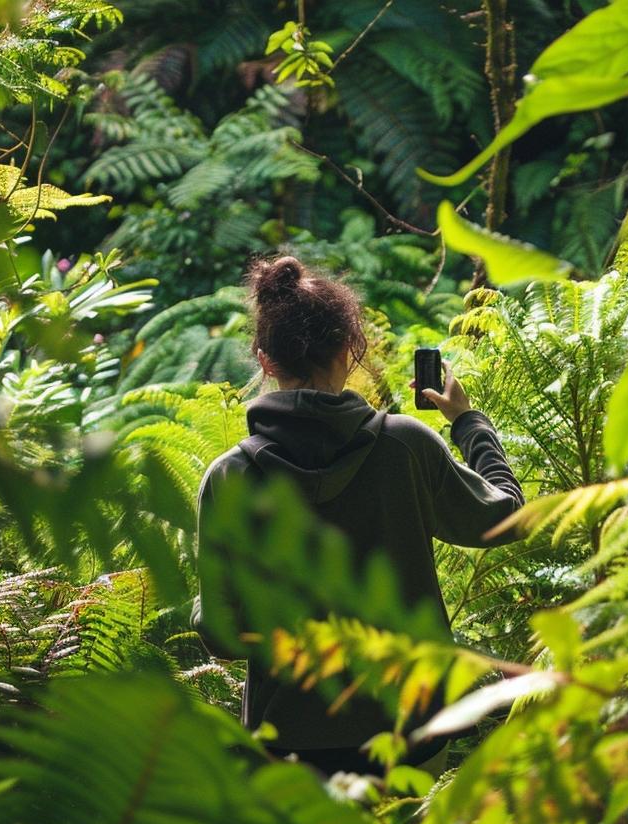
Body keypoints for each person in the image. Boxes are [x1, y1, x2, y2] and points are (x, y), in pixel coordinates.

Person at [192, 255, 524, 776]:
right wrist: (468, 424)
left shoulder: (230, 476)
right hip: (412, 732)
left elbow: (220, 634)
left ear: (264, 358)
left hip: (290, 744)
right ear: (349, 349)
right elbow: (506, 517)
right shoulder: (407, 446)